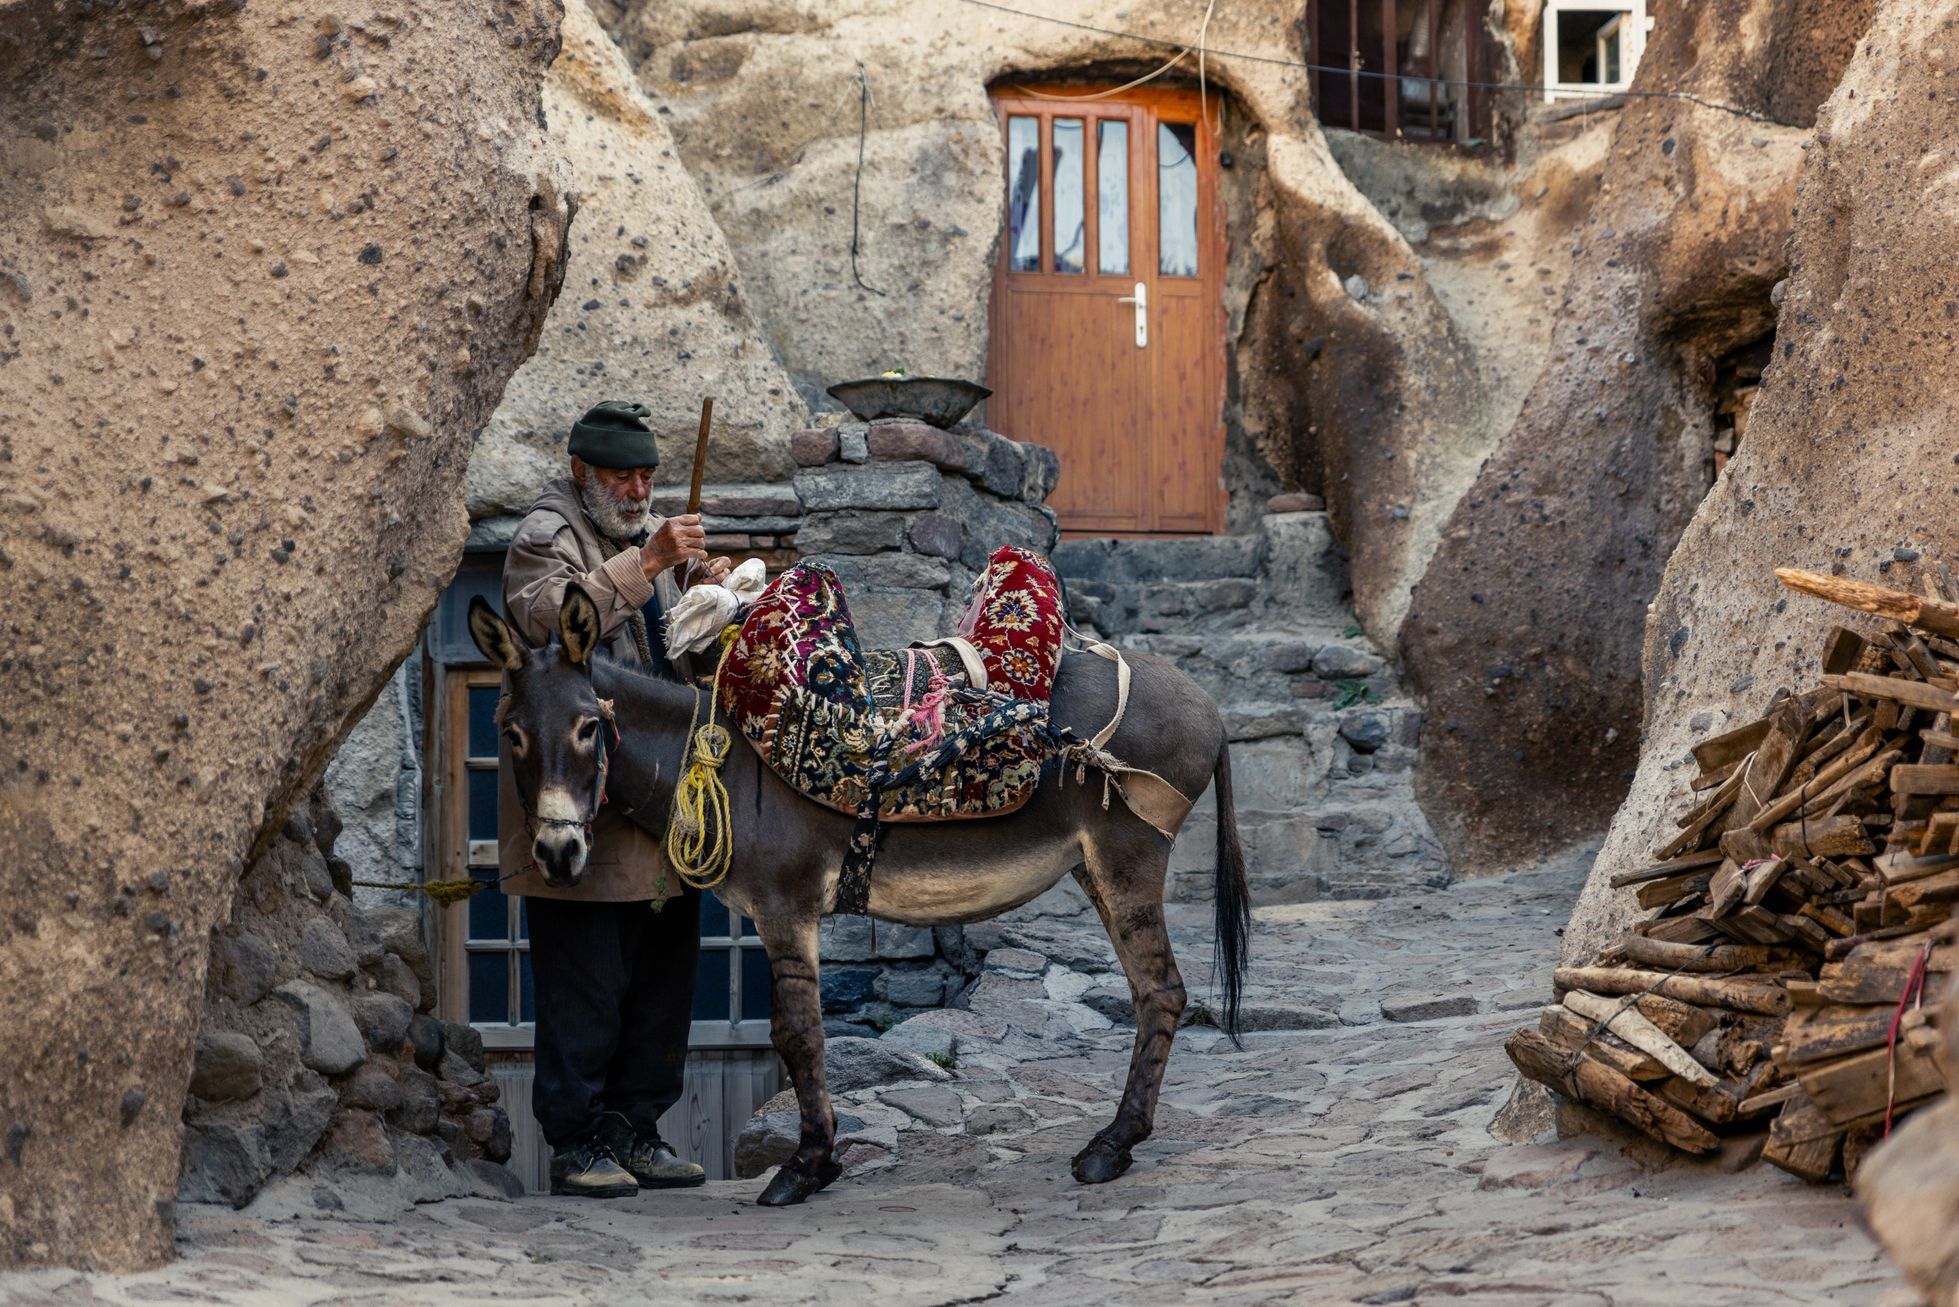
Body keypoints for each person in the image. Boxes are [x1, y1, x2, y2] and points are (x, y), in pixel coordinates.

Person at [497, 400, 732, 1197]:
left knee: (663, 984)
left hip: (664, 799)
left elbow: (674, 654)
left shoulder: (649, 533)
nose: (638, 492)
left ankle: (637, 1128)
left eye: (646, 477)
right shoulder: (545, 535)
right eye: (622, 477)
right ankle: (577, 1142)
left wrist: (707, 595)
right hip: (578, 801)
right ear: (580, 472)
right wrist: (648, 562)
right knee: (585, 986)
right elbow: (547, 627)